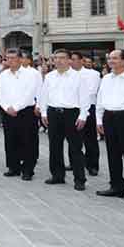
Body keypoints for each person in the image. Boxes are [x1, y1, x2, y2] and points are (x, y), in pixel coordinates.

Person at [95, 49, 124, 206]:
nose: (111, 61)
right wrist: (99, 120)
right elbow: (100, 99)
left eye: (115, 58)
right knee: (112, 154)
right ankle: (116, 186)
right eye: (110, 58)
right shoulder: (106, 78)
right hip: (109, 117)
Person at [37, 49, 88, 190]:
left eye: (62, 58)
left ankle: (80, 179)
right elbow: (44, 95)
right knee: (54, 146)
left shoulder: (78, 77)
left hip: (72, 114)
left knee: (75, 148)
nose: (58, 60)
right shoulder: (49, 76)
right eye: (56, 58)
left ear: (69, 60)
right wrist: (43, 113)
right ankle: (57, 175)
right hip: (53, 113)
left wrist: (83, 115)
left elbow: (85, 98)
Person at [0, 49, 41, 180]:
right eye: (8, 58)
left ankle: (28, 169)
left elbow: (30, 93)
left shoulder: (31, 74)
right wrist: (6, 107)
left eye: (13, 58)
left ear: (20, 59)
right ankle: (13, 167)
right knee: (10, 140)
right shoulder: (3, 75)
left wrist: (16, 107)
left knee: (28, 141)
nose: (10, 60)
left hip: (26, 111)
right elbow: (0, 93)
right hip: (8, 112)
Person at [72, 53, 101, 177]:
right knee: (73, 139)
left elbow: (91, 91)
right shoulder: (68, 74)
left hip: (89, 107)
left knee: (90, 138)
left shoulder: (93, 74)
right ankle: (75, 162)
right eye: (70, 60)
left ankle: (92, 165)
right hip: (72, 108)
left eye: (73, 59)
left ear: (81, 61)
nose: (71, 62)